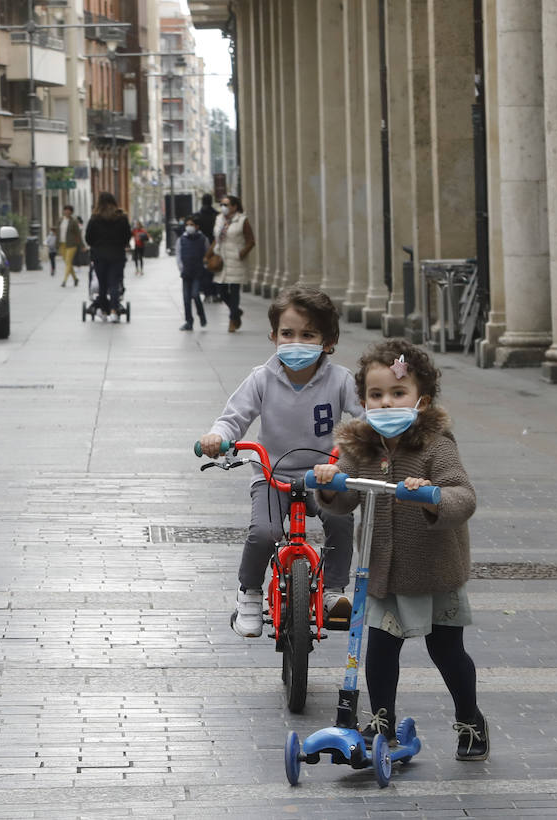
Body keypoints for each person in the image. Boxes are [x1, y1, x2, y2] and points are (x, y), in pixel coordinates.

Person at [313, 339, 486, 762]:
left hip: (433, 570)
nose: (387, 403)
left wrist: (432, 496)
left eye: (397, 393)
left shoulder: (436, 445)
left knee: (446, 651)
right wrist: (330, 482)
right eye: (376, 395)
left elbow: (462, 494)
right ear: (363, 401)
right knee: (381, 650)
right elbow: (345, 494)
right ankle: (383, 722)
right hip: (381, 574)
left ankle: (470, 717)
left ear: (420, 400)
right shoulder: (360, 446)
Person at [197, 287, 362, 637]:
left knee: (341, 521)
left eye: (308, 334)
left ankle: (333, 592)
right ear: (273, 336)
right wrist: (216, 437)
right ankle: (250, 593)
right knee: (264, 532)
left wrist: (373, 441)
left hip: (323, 476)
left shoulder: (341, 380)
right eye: (287, 334)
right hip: (273, 474)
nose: (296, 342)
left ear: (328, 341)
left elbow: (366, 417)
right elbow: (233, 418)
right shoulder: (261, 378)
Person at [84, 193, 133, 321]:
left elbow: (88, 238)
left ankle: (104, 311)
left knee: (103, 284)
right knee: (114, 283)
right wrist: (120, 244)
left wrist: (96, 244)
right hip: (117, 255)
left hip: (99, 255)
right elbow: (127, 236)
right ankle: (114, 311)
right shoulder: (121, 218)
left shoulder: (95, 218)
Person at [210, 195, 255, 332]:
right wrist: (209, 254)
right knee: (222, 291)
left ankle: (232, 320)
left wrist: (241, 253)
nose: (223, 207)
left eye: (226, 204)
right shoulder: (219, 219)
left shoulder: (242, 220)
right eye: (222, 204)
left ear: (235, 206)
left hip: (236, 260)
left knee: (234, 290)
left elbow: (251, 241)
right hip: (221, 260)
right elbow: (216, 239)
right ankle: (236, 311)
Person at [175, 216, 208, 331]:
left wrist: (205, 266)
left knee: (195, 295)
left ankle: (201, 315)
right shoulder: (181, 240)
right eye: (187, 224)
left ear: (197, 226)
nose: (189, 227)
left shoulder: (203, 239)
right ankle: (189, 321)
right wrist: (181, 268)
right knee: (186, 298)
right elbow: (178, 255)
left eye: (191, 224)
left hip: (198, 273)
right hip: (186, 273)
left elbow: (207, 254)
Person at [58, 205, 84, 288]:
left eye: (69, 210)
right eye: (65, 210)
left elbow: (78, 234)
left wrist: (82, 245)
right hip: (62, 244)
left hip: (72, 245)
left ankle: (64, 281)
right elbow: (58, 232)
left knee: (68, 262)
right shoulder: (60, 220)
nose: (67, 212)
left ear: (71, 212)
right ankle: (75, 279)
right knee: (67, 263)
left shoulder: (74, 221)